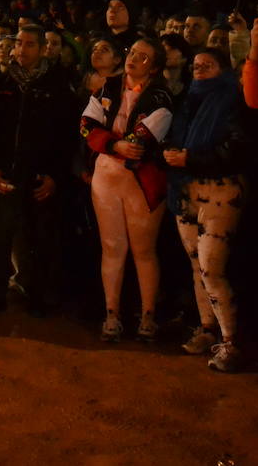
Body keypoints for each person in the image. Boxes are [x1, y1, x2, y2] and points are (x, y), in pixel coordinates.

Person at [162, 47, 250, 372]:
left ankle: (231, 341)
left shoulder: (233, 100)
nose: (199, 69)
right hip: (186, 190)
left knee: (212, 267)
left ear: (223, 69)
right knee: (196, 263)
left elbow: (237, 148)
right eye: (196, 64)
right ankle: (207, 329)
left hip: (220, 191)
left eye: (207, 65)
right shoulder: (188, 100)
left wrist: (191, 159)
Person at [80, 36, 173, 341]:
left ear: (155, 67)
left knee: (143, 250)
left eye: (143, 57)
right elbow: (86, 124)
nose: (134, 59)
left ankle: (147, 316)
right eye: (132, 53)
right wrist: (114, 143)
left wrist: (115, 143)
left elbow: (143, 139)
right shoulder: (108, 87)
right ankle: (112, 314)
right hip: (107, 176)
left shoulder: (161, 96)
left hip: (141, 180)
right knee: (112, 247)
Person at [0, 26, 74, 317]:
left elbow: (66, 136)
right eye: (18, 43)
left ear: (43, 48)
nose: (21, 50)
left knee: (41, 237)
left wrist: (54, 175)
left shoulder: (57, 86)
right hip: (7, 172)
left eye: (29, 44)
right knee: (0, 236)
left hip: (39, 175)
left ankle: (39, 297)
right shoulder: (2, 82)